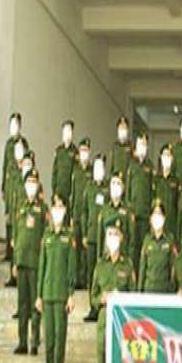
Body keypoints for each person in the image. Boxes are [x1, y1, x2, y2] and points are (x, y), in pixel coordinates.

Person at [90, 221, 136, 363]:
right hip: (103, 328)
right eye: (109, 234)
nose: (112, 237)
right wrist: (102, 299)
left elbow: (134, 297)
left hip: (122, 333)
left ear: (122, 237)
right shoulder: (100, 266)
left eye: (116, 234)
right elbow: (92, 298)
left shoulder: (127, 266)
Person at [36, 195, 77, 363]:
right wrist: (39, 295)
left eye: (61, 207)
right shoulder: (47, 236)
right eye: (55, 207)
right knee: (49, 341)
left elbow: (71, 268)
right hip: (48, 293)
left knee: (60, 342)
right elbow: (41, 266)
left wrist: (71, 294)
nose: (58, 210)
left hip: (61, 296)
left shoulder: (68, 237)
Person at [12, 170, 49, 356]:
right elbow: (16, 237)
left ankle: (34, 342)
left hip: (36, 262)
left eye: (34, 181)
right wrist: (14, 262)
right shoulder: (20, 206)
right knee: (22, 304)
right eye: (29, 181)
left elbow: (46, 235)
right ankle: (22, 342)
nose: (31, 185)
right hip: (22, 262)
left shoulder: (43, 209)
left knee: (36, 304)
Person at [82, 154, 109, 322]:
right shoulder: (89, 188)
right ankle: (93, 306)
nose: (99, 170)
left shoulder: (108, 188)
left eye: (101, 167)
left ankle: (103, 307)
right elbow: (84, 212)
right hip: (92, 236)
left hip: (105, 238)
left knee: (104, 272)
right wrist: (85, 233)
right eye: (96, 166)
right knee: (91, 273)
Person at [4, 130, 29, 287]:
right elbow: (8, 190)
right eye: (16, 149)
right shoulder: (11, 169)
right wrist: (8, 209)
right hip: (14, 212)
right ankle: (12, 276)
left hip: (24, 216)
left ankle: (21, 275)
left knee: (23, 246)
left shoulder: (27, 172)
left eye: (21, 149)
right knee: (13, 245)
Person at [125, 132, 153, 268]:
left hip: (145, 214)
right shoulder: (132, 165)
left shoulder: (150, 166)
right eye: (140, 144)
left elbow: (152, 190)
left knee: (143, 245)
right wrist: (128, 209)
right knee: (132, 245)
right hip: (133, 213)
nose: (142, 147)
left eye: (144, 144)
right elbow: (128, 190)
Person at [97, 172, 137, 266]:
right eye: (113, 183)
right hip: (107, 258)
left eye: (118, 183)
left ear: (123, 188)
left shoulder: (128, 211)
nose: (115, 186)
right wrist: (99, 258)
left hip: (123, 257)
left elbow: (132, 238)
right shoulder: (104, 210)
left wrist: (130, 259)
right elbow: (100, 237)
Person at [138, 201, 177, 293]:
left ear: (164, 217)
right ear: (151, 218)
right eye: (154, 214)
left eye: (159, 213)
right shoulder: (147, 239)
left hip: (164, 289)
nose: (157, 217)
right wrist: (140, 290)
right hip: (149, 288)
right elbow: (142, 267)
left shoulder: (169, 239)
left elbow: (173, 267)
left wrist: (173, 289)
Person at [71, 138, 93, 289]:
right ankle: (76, 278)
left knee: (86, 249)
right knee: (76, 247)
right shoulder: (76, 171)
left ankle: (84, 278)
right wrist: (72, 215)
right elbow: (73, 194)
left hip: (88, 216)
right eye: (82, 150)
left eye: (86, 150)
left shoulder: (92, 171)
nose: (84, 153)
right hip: (77, 214)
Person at [153, 145, 181, 239]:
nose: (166, 158)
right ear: (161, 158)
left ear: (172, 159)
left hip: (172, 221)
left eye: (169, 155)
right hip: (158, 220)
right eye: (164, 155)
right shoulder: (156, 179)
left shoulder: (176, 181)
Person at [52, 120, 77, 203]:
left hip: (69, 192)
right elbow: (54, 172)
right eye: (66, 131)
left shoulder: (75, 152)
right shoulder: (59, 151)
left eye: (69, 131)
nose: (68, 134)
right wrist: (54, 192)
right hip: (58, 192)